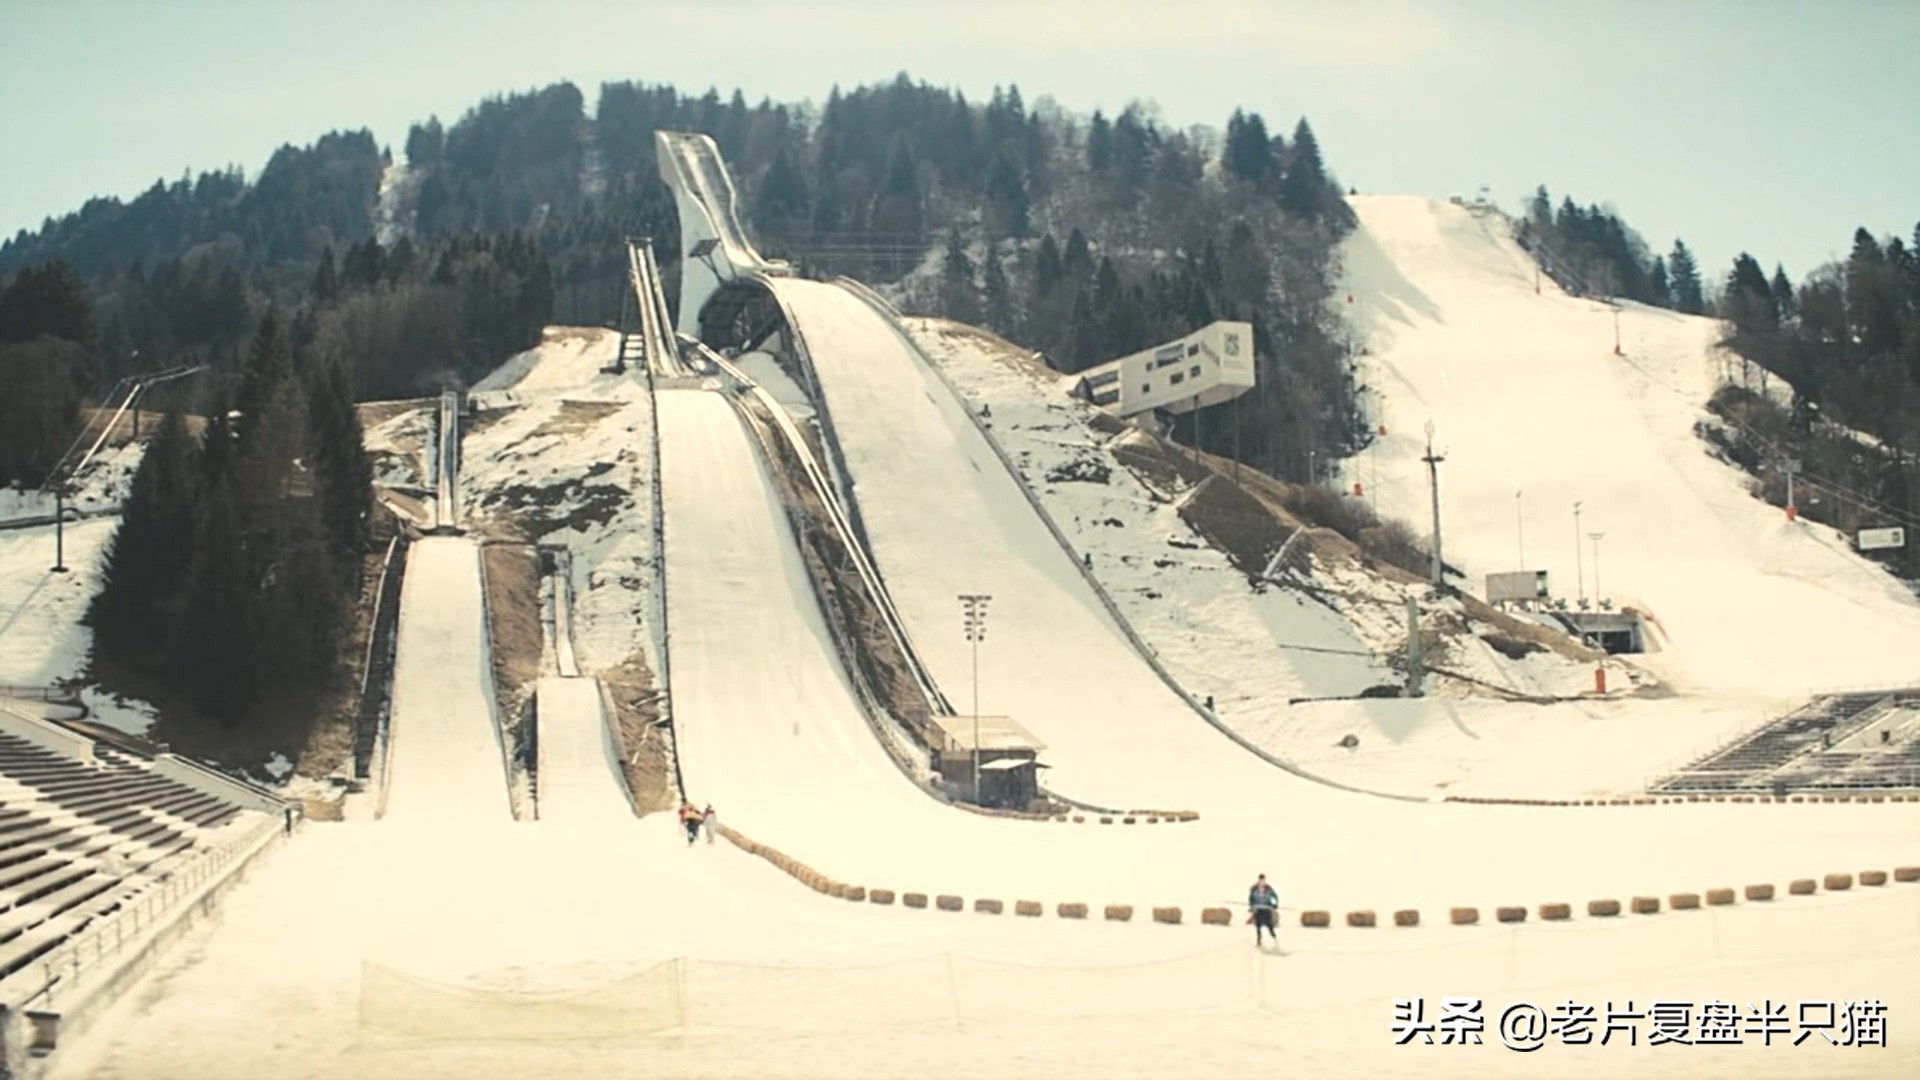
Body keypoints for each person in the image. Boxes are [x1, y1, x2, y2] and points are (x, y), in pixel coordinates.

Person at [1249, 874, 1279, 946]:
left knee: (1269, 925)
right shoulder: (1254, 889)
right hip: (1258, 909)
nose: (1262, 882)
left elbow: (1274, 897)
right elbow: (1251, 898)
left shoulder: (1269, 889)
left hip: (1266, 909)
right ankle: (1259, 941)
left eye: (1263, 880)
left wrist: (1274, 904)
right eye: (1260, 880)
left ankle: (1274, 937)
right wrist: (1252, 906)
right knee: (1258, 926)